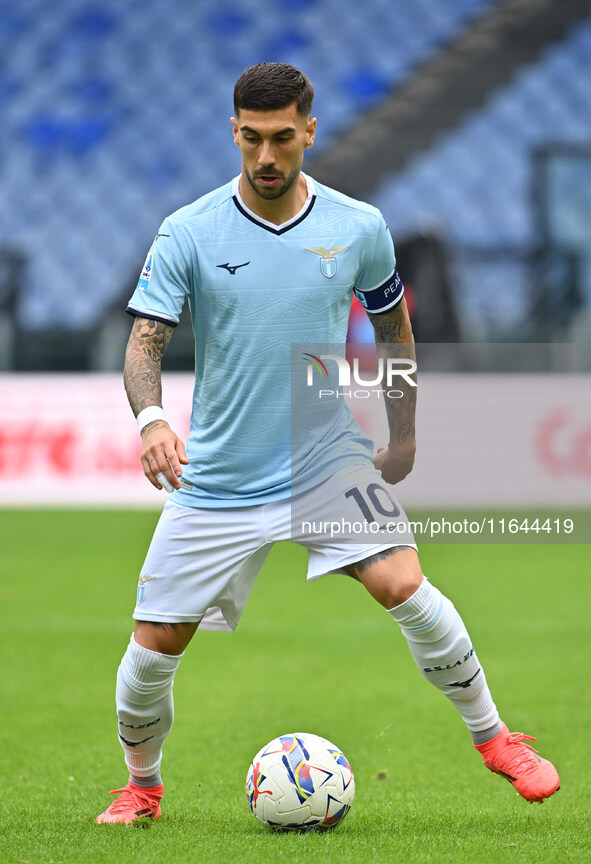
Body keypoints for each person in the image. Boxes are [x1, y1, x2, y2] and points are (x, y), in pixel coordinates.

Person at [96, 63, 559, 824]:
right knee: (153, 648)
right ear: (235, 132)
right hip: (218, 476)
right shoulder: (189, 230)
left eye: (282, 138)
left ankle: (496, 738)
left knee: (405, 587)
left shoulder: (356, 227)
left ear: (309, 131)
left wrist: (401, 435)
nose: (266, 156)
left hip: (324, 459)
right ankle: (142, 788)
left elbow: (393, 329)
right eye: (251, 138)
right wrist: (151, 421)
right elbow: (145, 343)